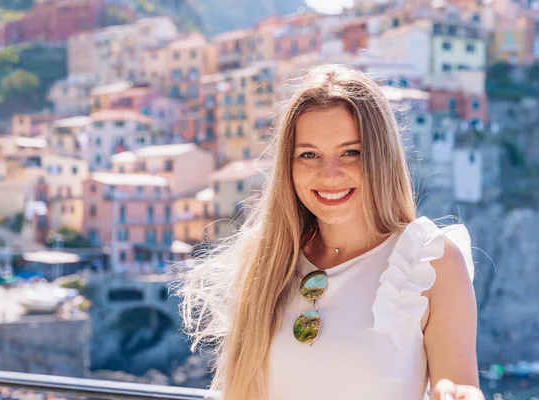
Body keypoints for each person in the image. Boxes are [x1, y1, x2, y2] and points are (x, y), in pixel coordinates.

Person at [173, 65, 483, 400]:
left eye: (351, 152)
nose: (329, 174)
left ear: (381, 156)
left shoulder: (431, 262)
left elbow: (457, 388)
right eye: (309, 155)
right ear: (287, 166)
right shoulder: (264, 262)